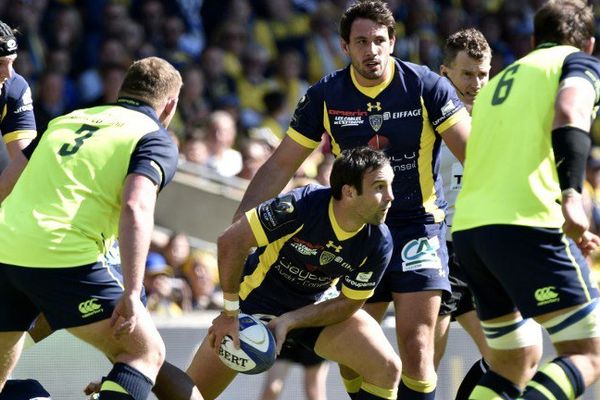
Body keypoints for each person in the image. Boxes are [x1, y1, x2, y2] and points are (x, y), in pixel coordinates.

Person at [233, 2, 470, 399]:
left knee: (416, 345)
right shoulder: (326, 95)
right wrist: (240, 228)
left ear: (393, 42)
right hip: (357, 233)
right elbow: (280, 166)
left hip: (418, 226)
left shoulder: (426, 86)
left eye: (379, 41)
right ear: (344, 46)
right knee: (356, 358)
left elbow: (474, 153)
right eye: (361, 41)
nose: (371, 50)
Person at [0, 56, 183, 400]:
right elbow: (135, 205)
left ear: (122, 90)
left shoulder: (67, 120)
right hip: (63, 255)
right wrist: (132, 291)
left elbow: (6, 183)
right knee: (145, 353)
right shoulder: (153, 137)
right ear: (169, 105)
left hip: (4, 245)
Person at [452, 1, 600, 398]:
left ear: (534, 40)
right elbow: (570, 110)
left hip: (471, 232)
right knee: (589, 353)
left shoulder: (498, 82)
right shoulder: (577, 63)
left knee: (510, 364)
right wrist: (571, 195)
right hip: (524, 226)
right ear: (588, 44)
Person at [187, 147, 401, 400]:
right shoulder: (302, 205)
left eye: (390, 186)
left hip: (312, 310)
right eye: (379, 187)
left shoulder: (379, 241)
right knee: (192, 394)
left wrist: (291, 320)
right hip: (250, 306)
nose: (391, 196)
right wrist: (229, 312)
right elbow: (231, 241)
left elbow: (350, 302)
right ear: (349, 191)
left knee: (387, 368)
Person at [433, 28, 499, 400]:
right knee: (426, 362)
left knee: (505, 357)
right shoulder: (426, 122)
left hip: (480, 251)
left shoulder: (497, 122)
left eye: (483, 74)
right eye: (467, 74)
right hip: (438, 252)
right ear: (445, 73)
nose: (475, 83)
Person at [0, 20, 36, 171]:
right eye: (0, 64)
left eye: (12, 62)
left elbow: (25, 167)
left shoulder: (15, 87)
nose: (8, 73)